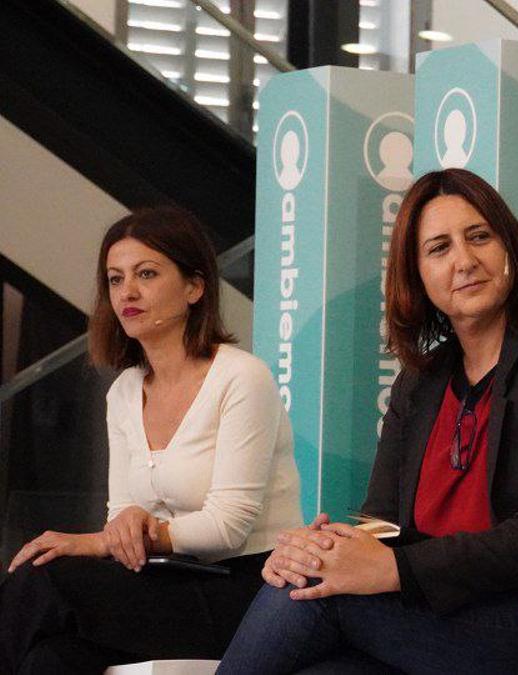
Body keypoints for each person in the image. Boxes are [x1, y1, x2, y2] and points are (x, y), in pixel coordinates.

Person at [218, 168, 518, 674]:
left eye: (479, 237)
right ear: (417, 275)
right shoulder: (421, 382)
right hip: (450, 621)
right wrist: (322, 548)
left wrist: (392, 569)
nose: (464, 261)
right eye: (439, 248)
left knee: (318, 594)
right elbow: (382, 520)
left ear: (509, 248)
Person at [0, 207, 303, 673]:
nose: (128, 292)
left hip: (248, 590)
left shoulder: (242, 377)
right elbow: (120, 519)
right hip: (169, 580)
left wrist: (102, 542)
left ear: (194, 287)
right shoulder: (123, 391)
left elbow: (227, 528)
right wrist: (119, 532)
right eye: (116, 279)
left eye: (147, 274)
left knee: (48, 579)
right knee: (51, 659)